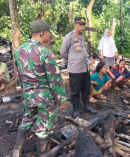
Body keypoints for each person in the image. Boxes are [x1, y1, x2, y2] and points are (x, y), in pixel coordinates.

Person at [12, 19, 67, 156]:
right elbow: (55, 80)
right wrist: (61, 99)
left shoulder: (19, 51)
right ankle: (42, 154)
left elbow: (20, 74)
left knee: (26, 120)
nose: (50, 34)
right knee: (43, 127)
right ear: (42, 33)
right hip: (44, 98)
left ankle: (16, 151)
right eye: (49, 32)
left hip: (28, 96)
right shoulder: (46, 53)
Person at [60, 17, 97, 118]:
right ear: (75, 25)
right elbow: (63, 52)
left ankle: (86, 106)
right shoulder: (69, 37)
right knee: (75, 89)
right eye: (80, 24)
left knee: (86, 88)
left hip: (85, 68)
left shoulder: (83, 36)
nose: (83, 26)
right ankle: (75, 109)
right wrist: (72, 60)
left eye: (84, 24)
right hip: (75, 69)